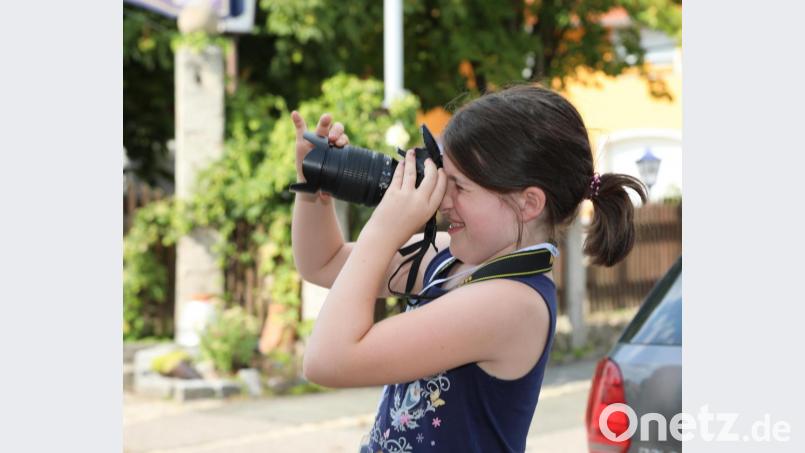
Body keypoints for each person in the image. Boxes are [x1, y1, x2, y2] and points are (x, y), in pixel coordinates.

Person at [290, 84, 647, 452]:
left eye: (459, 186)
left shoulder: (512, 303)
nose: (443, 199)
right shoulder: (448, 258)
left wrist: (383, 229)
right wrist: (313, 186)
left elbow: (327, 361)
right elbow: (324, 262)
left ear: (528, 203)